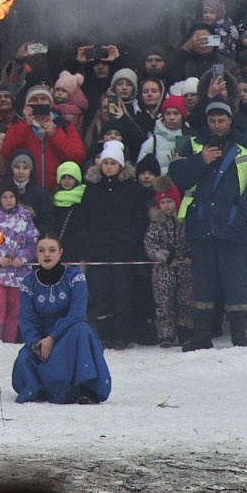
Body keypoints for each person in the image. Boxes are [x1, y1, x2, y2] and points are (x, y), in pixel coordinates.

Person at [171, 129, 247, 349]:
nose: (216, 125)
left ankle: (239, 334)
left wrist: (242, 213)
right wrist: (200, 161)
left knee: (237, 283)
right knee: (202, 284)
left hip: (235, 228)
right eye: (212, 121)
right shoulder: (194, 145)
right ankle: (202, 335)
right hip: (202, 226)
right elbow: (178, 177)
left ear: (230, 121)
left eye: (221, 120)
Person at [9, 234, 112, 404]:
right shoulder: (28, 283)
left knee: (82, 329)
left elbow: (78, 313)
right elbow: (27, 319)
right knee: (24, 359)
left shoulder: (74, 277)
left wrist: (53, 337)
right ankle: (46, 387)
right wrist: (36, 343)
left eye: (52, 250)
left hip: (69, 337)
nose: (47, 255)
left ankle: (84, 389)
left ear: (60, 252)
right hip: (41, 341)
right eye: (42, 251)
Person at [74, 142, 148, 344]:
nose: (108, 166)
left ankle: (121, 336)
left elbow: (139, 220)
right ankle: (104, 334)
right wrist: (89, 239)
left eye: (113, 163)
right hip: (97, 250)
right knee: (101, 293)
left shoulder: (131, 189)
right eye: (105, 162)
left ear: (121, 166)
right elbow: (83, 218)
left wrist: (129, 238)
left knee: (123, 294)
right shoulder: (92, 189)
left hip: (123, 251)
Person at [0, 186, 38, 343]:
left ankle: (10, 342)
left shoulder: (25, 218)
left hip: (20, 273)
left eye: (11, 196)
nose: (8, 200)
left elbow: (33, 243)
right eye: (4, 197)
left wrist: (22, 257)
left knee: (16, 308)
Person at [1, 85, 83, 194]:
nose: (39, 102)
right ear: (28, 105)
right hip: (27, 192)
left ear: (50, 103)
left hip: (58, 191)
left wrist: (56, 135)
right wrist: (26, 125)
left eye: (43, 99)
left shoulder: (64, 126)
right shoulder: (18, 126)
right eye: (34, 100)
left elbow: (78, 156)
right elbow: (6, 152)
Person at [144, 181, 192, 348]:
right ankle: (166, 333)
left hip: (185, 268)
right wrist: (166, 256)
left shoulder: (185, 221)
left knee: (184, 301)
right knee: (164, 303)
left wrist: (189, 254)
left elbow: (193, 240)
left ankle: (185, 330)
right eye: (163, 202)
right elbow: (150, 245)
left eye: (169, 202)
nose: (166, 206)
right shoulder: (156, 223)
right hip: (163, 270)